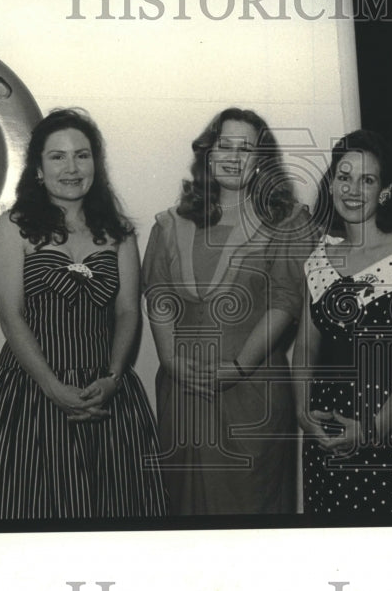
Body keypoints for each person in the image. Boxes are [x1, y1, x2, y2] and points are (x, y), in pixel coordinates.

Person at [0, 109, 168, 519]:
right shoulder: (14, 226)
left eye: (82, 155)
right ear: (38, 169)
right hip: (29, 395)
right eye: (57, 157)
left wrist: (112, 377)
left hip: (106, 395)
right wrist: (53, 388)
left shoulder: (118, 232)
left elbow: (128, 312)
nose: (71, 168)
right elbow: (11, 317)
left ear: (96, 163)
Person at [142, 107, 315, 515]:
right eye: (225, 145)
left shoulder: (287, 221)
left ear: (261, 161)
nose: (234, 156)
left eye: (247, 148)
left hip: (250, 391)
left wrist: (237, 367)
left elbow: (286, 301)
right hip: (183, 391)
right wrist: (170, 361)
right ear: (208, 152)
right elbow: (159, 296)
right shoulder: (170, 224)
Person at [292, 130, 392, 516]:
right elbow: (306, 348)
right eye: (344, 177)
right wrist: (303, 414)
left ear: (386, 191)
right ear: (331, 184)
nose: (353, 189)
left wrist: (372, 430)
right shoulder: (319, 260)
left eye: (368, 179)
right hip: (327, 435)